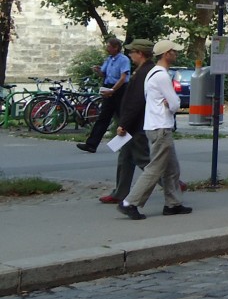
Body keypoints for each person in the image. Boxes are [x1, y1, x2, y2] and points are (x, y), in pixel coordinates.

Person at [118, 39, 189, 220]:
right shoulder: (162, 75)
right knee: (155, 168)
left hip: (154, 125)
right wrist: (172, 104)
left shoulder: (151, 73)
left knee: (172, 168)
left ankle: (173, 203)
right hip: (161, 127)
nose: (176, 54)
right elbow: (174, 103)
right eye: (174, 51)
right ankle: (130, 202)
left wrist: (167, 102)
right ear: (166, 54)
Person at [99, 38, 154, 205]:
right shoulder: (142, 70)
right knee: (125, 158)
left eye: (132, 52)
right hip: (132, 122)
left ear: (140, 53)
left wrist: (124, 124)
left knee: (143, 160)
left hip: (135, 124)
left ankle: (171, 183)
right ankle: (120, 192)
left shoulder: (144, 72)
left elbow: (135, 102)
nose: (130, 55)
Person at [77, 36, 132, 153]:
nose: (107, 48)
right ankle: (91, 144)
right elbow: (104, 74)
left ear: (116, 48)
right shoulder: (109, 59)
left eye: (109, 46)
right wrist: (98, 71)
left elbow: (123, 78)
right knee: (103, 117)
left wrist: (113, 90)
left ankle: (128, 143)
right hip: (108, 88)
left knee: (123, 117)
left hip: (119, 89)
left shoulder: (123, 60)